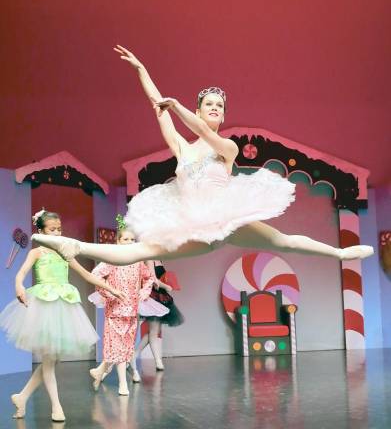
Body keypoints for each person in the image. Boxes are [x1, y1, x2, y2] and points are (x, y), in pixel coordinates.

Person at [31, 46, 374, 268]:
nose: (214, 109)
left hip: (227, 218)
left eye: (219, 106)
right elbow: (159, 111)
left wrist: (178, 106)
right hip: (194, 225)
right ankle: (74, 246)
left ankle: (340, 253)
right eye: (209, 104)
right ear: (199, 109)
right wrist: (141, 71)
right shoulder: (182, 148)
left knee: (283, 241)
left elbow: (203, 130)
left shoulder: (227, 147)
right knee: (141, 251)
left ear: (222, 116)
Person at [0, 209, 125, 422]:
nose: (57, 233)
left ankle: (21, 397)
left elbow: (86, 275)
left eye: (59, 229)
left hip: (63, 306)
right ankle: (56, 407)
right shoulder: (36, 252)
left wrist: (111, 288)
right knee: (50, 360)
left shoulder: (64, 253)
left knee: (51, 360)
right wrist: (18, 285)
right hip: (45, 306)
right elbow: (21, 273)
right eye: (52, 229)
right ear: (40, 231)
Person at [88, 217, 167, 395]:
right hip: (115, 309)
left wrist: (143, 293)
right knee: (116, 345)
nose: (130, 242)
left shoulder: (138, 262)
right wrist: (110, 293)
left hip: (132, 310)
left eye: (132, 240)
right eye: (125, 239)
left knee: (126, 346)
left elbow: (149, 279)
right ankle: (123, 383)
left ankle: (101, 370)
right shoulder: (111, 260)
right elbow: (95, 276)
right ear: (117, 241)